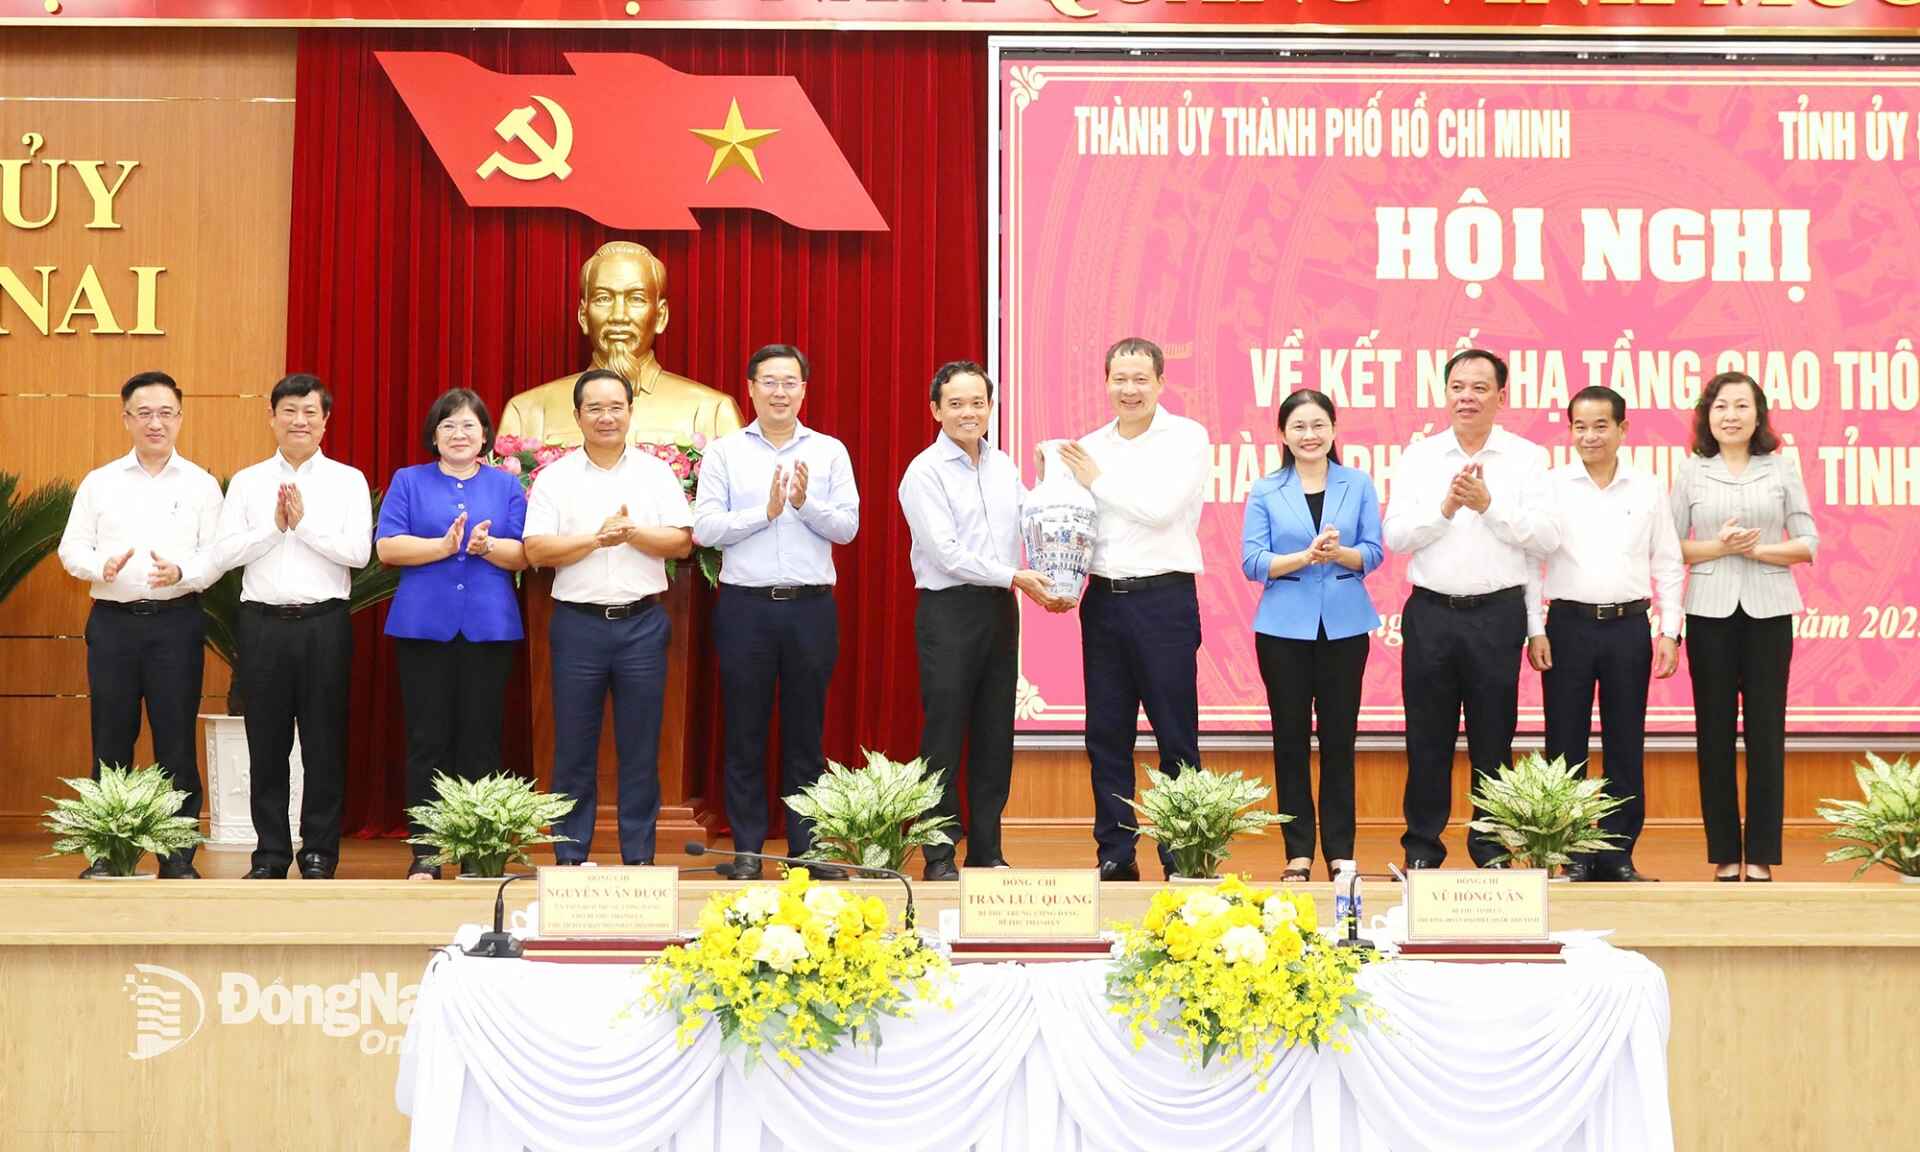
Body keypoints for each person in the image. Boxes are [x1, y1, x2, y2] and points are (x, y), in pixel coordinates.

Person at [1384, 349, 1559, 869]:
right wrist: (1445, 509)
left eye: (1480, 388)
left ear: (1501, 396)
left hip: (1497, 615)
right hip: (1431, 613)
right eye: (1458, 386)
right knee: (1427, 736)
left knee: (1493, 738)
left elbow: (1545, 540)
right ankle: (1422, 849)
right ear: (1446, 393)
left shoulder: (1527, 458)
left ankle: (1491, 850)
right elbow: (1395, 537)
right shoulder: (1420, 457)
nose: (1467, 396)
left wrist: (1489, 506)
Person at [693, 344, 859, 880]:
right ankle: (746, 850)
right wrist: (761, 515)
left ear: (804, 390)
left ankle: (805, 852)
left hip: (810, 609)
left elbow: (848, 528)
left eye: (790, 382)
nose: (779, 392)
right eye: (769, 381)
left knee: (806, 736)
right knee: (744, 732)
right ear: (751, 387)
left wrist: (805, 505)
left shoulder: (830, 451)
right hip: (746, 609)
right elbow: (705, 529)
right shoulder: (723, 453)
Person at [898, 361, 1066, 881]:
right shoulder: (923, 472)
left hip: (998, 608)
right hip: (949, 611)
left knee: (996, 731)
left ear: (991, 408)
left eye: (978, 403)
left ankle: (988, 849)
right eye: (956, 403)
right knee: (945, 735)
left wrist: (1054, 481)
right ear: (935, 410)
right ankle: (940, 855)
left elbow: (1030, 520)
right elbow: (944, 553)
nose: (968, 412)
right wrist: (1015, 576)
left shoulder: (1003, 465)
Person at [1051, 337, 1209, 881]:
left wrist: (1096, 480)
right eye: (1120, 378)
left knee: (1175, 736)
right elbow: (1070, 518)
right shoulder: (1091, 445)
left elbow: (1160, 511)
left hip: (1164, 600)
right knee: (1106, 735)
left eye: (1141, 379)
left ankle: (1184, 853)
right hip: (1103, 602)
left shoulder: (1186, 438)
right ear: (1106, 382)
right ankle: (1115, 853)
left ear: (1161, 383)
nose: (1130, 389)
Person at [56, 370, 224, 879]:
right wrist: (96, 567)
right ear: (126, 418)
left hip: (176, 624)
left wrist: (185, 573)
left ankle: (177, 856)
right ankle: (107, 853)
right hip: (112, 625)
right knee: (111, 739)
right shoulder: (99, 481)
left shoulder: (200, 484)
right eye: (144, 413)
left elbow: (216, 554)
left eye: (166, 412)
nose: (156, 422)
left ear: (180, 417)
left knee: (175, 742)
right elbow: (71, 547)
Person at [523, 369, 694, 866]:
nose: (606, 417)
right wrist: (596, 540)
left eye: (615, 407)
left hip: (643, 625)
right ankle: (570, 859)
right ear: (577, 416)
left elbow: (681, 541)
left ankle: (638, 858)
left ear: (629, 412)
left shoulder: (655, 474)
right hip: (578, 626)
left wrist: (632, 533)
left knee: (641, 749)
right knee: (573, 748)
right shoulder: (555, 477)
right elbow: (536, 547)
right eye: (594, 408)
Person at [215, 374, 372, 880]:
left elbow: (357, 553)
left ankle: (320, 852)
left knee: (324, 743)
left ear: (326, 420)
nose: (299, 420)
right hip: (262, 625)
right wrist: (274, 528)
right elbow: (226, 553)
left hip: (324, 624)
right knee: (267, 744)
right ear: (271, 417)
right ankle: (270, 855)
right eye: (289, 411)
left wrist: (303, 525)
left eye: (310, 412)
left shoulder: (347, 480)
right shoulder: (247, 481)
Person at [1526, 386, 1683, 883]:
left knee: (1624, 744)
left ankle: (1616, 852)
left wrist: (1671, 631)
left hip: (1629, 627)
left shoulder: (1648, 487)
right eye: (1579, 426)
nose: (1589, 436)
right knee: (1564, 745)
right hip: (1567, 626)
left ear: (1622, 429)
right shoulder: (1551, 486)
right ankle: (1568, 849)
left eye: (1600, 426)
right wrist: (1534, 628)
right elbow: (1531, 563)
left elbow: (1669, 563)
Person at [1669, 371, 1818, 882]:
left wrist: (1758, 551)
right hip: (1708, 610)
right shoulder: (1691, 472)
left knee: (1765, 733)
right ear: (1706, 416)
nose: (1730, 416)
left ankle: (1760, 853)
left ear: (1759, 414)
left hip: (1769, 611)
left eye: (1740, 406)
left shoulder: (1781, 469)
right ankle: (1725, 853)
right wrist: (1720, 548)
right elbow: (1670, 547)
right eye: (1720, 407)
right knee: (1712, 734)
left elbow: (1807, 542)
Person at [375, 389, 528, 880]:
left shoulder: (507, 486)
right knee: (427, 740)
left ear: (485, 434)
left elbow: (523, 554)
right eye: (448, 426)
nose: (459, 434)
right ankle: (426, 852)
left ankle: (478, 851)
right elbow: (388, 548)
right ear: (434, 436)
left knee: (482, 741)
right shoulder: (408, 481)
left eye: (469, 425)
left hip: (488, 627)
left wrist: (486, 547)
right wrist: (442, 546)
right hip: (424, 628)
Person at [1239, 389, 1383, 883]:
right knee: (1291, 740)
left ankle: (1340, 852)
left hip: (1345, 627)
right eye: (1299, 426)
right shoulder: (1265, 489)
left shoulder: (1357, 483)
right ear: (1283, 434)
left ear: (1334, 430)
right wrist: (1305, 556)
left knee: (1340, 740)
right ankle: (1298, 853)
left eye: (1319, 425)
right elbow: (1252, 562)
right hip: (1283, 630)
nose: (1310, 435)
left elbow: (1374, 553)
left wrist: (1338, 554)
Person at [497, 241, 743, 447]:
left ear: (661, 315)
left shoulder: (713, 412)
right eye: (603, 298)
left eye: (636, 299)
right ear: (583, 315)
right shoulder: (528, 411)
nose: (619, 316)